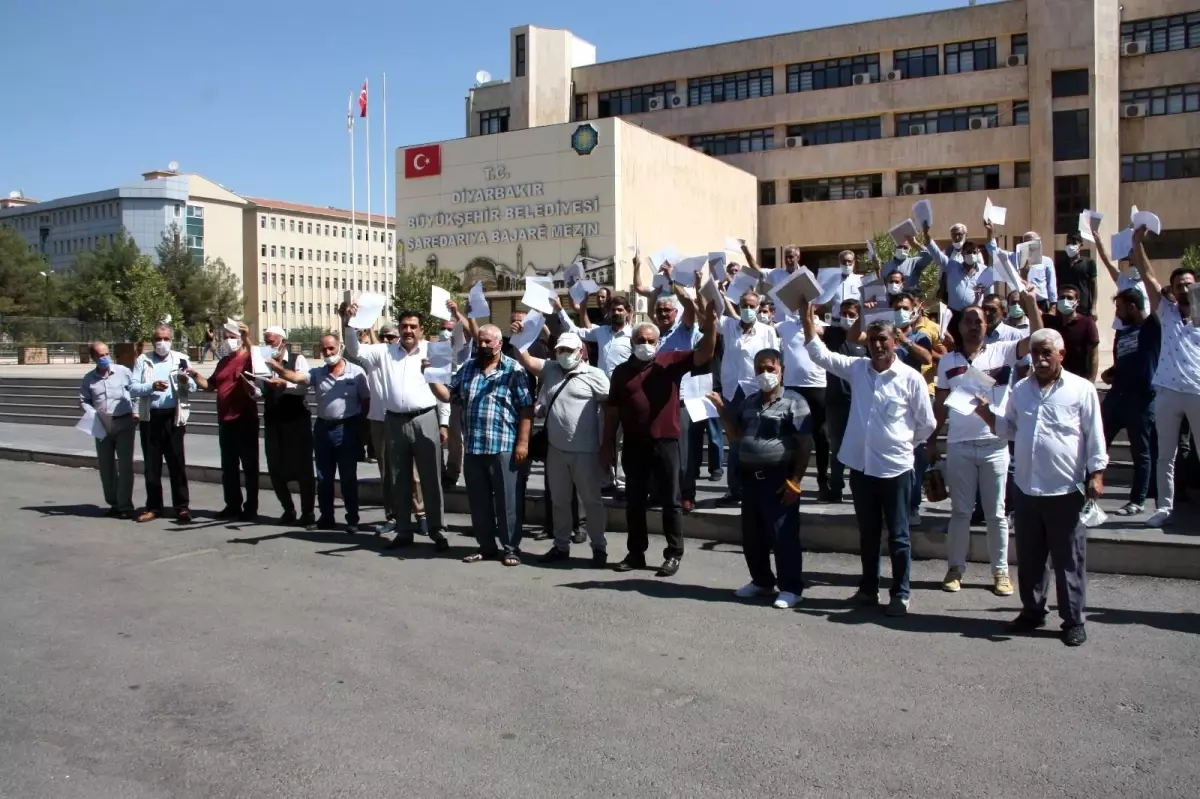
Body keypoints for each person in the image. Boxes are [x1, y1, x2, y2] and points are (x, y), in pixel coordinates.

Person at [802, 298, 936, 617]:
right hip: (861, 468)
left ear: (894, 342)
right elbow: (819, 354)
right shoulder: (858, 369)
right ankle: (868, 589)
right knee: (868, 532)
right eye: (872, 340)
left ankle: (901, 593)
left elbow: (927, 424)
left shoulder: (910, 379)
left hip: (895, 469)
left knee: (899, 536)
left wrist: (903, 444)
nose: (877, 345)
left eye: (883, 340)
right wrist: (806, 320)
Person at [974, 328, 1107, 647]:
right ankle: (1033, 612)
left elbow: (1095, 435)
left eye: (1047, 352)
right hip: (1027, 488)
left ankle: (1073, 619)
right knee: (1031, 559)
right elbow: (1008, 429)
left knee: (1068, 560)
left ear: (1061, 354)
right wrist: (983, 412)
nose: (1041, 358)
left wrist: (1097, 474)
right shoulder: (1020, 390)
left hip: (1065, 490)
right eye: (1036, 353)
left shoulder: (1081, 389)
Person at [927, 292, 1041, 596]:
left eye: (979, 319)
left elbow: (1038, 338)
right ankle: (955, 569)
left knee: (996, 514)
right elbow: (939, 404)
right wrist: (932, 440)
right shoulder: (948, 362)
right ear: (959, 327)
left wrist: (1030, 304)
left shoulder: (1003, 351)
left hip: (995, 444)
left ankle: (1000, 571)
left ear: (988, 323)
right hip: (960, 445)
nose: (974, 324)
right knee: (961, 512)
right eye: (968, 320)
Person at [606, 298, 719, 577]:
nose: (646, 344)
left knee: (671, 500)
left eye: (651, 340)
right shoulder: (621, 373)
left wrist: (712, 323)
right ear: (633, 342)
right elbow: (612, 412)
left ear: (658, 343)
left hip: (666, 441)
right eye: (641, 339)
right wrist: (606, 445)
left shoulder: (670, 361)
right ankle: (636, 553)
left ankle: (673, 553)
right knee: (635, 502)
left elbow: (704, 353)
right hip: (633, 444)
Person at [343, 303, 451, 552]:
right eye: (404, 326)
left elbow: (444, 391)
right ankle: (404, 529)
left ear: (421, 330)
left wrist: (443, 422)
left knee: (430, 478)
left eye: (413, 326)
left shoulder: (434, 351)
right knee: (399, 478)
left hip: (425, 418)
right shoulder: (384, 351)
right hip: (393, 420)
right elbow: (354, 349)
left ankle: (437, 530)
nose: (408, 331)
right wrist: (349, 323)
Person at [709, 349, 813, 609]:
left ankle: (791, 587)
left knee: (783, 535)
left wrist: (796, 481)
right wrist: (721, 409)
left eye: (771, 369)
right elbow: (735, 435)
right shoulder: (750, 402)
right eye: (760, 369)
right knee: (753, 535)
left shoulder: (794, 401)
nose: (765, 374)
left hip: (779, 478)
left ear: (782, 371)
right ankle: (761, 581)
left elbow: (804, 443)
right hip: (750, 479)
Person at [429, 324, 534, 566]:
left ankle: (510, 548)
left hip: (504, 446)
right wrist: (432, 377)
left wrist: (523, 442)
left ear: (499, 343)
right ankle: (486, 547)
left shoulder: (513, 369)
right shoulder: (468, 368)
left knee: (508, 501)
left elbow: (526, 406)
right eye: (480, 342)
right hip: (475, 447)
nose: (483, 346)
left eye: (488, 342)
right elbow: (448, 395)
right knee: (478, 501)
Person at [511, 331, 611, 567]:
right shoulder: (551, 369)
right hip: (555, 450)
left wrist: (608, 446)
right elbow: (524, 358)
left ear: (580, 352)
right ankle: (561, 546)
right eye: (560, 350)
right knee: (559, 501)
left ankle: (599, 548)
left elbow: (610, 411)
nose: (564, 354)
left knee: (592, 502)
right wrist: (519, 337)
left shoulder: (596, 375)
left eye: (569, 350)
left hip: (586, 452)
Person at [269, 335, 369, 533]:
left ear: (340, 348)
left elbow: (366, 401)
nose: (328, 353)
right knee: (324, 477)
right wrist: (280, 370)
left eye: (331, 349)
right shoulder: (317, 373)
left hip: (347, 428)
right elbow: (297, 378)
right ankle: (326, 517)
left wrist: (362, 431)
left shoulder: (356, 373)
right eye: (324, 350)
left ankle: (352, 519)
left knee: (348, 477)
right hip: (323, 428)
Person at [1135, 227, 1200, 529]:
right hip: (1167, 392)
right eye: (1178, 285)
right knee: (1166, 455)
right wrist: (1137, 244)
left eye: (1188, 284)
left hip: (1198, 392)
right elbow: (1148, 277)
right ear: (1172, 290)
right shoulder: (1167, 312)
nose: (1184, 289)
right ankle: (1164, 508)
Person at [189, 323, 260, 519]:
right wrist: (193, 374)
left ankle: (251, 507)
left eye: (231, 336)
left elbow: (257, 360)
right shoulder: (223, 363)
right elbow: (209, 386)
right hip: (225, 420)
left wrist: (247, 336)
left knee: (249, 466)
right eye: (225, 336)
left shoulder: (248, 359)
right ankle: (232, 505)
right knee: (229, 467)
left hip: (245, 419)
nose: (227, 340)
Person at [1101, 288, 1161, 517]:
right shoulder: (1123, 333)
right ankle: (1087, 493)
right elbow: (1123, 362)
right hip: (1117, 397)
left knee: (1141, 453)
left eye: (1119, 308)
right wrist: (1111, 373)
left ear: (1133, 307)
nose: (1117, 313)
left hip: (1142, 401)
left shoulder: (1152, 327)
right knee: (1097, 444)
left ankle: (1137, 501)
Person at [717, 290, 780, 506]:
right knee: (735, 442)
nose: (748, 309)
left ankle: (759, 488)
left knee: (758, 440)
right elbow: (706, 315)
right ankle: (734, 489)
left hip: (757, 388)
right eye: (744, 304)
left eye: (752, 306)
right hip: (733, 390)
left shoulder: (767, 331)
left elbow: (775, 360)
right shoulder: (728, 326)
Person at [131, 324, 196, 524]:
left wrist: (186, 380)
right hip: (151, 418)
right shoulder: (143, 360)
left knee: (177, 463)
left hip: (174, 417)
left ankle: (181, 507)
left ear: (172, 340)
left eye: (166, 339)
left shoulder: (181, 358)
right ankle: (154, 507)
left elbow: (193, 387)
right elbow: (133, 387)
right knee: (152, 465)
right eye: (158, 339)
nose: (162, 343)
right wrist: (151, 386)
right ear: (153, 340)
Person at [259, 326, 316, 528]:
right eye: (266, 341)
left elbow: (303, 385)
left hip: (295, 419)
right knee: (275, 466)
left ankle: (308, 513)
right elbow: (260, 389)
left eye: (272, 341)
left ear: (282, 342)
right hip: (274, 418)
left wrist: (285, 385)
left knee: (303, 468)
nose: (268, 345)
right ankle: (287, 509)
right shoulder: (262, 362)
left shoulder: (297, 359)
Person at [775, 298, 830, 500]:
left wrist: (810, 322)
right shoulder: (785, 325)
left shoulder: (823, 327)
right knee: (790, 433)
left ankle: (823, 480)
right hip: (791, 385)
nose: (804, 306)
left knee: (820, 434)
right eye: (801, 303)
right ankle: (789, 478)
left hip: (817, 385)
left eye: (809, 303)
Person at [79, 341, 138, 519]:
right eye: (100, 355)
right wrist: (91, 413)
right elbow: (84, 399)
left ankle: (125, 505)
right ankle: (114, 503)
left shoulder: (123, 372)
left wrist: (135, 411)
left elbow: (135, 391)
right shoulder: (89, 378)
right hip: (102, 424)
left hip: (124, 421)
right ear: (93, 358)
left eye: (106, 354)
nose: (104, 358)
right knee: (106, 466)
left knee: (126, 466)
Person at [821, 298, 867, 503]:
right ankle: (836, 486)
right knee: (837, 447)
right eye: (843, 314)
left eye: (851, 314)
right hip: (836, 401)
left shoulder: (865, 339)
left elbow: (856, 335)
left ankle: (864, 486)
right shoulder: (833, 334)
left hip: (860, 401)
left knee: (862, 445)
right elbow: (813, 331)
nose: (846, 318)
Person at [1041, 286, 1100, 381]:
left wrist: (1091, 381)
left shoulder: (1087, 324)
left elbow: (1093, 355)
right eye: (1062, 297)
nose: (1065, 301)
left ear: (1077, 302)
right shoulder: (1051, 322)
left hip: (1079, 378)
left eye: (1069, 298)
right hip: (1054, 379)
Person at [1057, 232, 1099, 319]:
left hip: (1083, 307)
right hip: (1065, 306)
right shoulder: (1061, 264)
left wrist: (1094, 307)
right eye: (1068, 243)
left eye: (1073, 243)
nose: (1070, 246)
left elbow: (1093, 285)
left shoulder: (1089, 263)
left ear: (1081, 245)